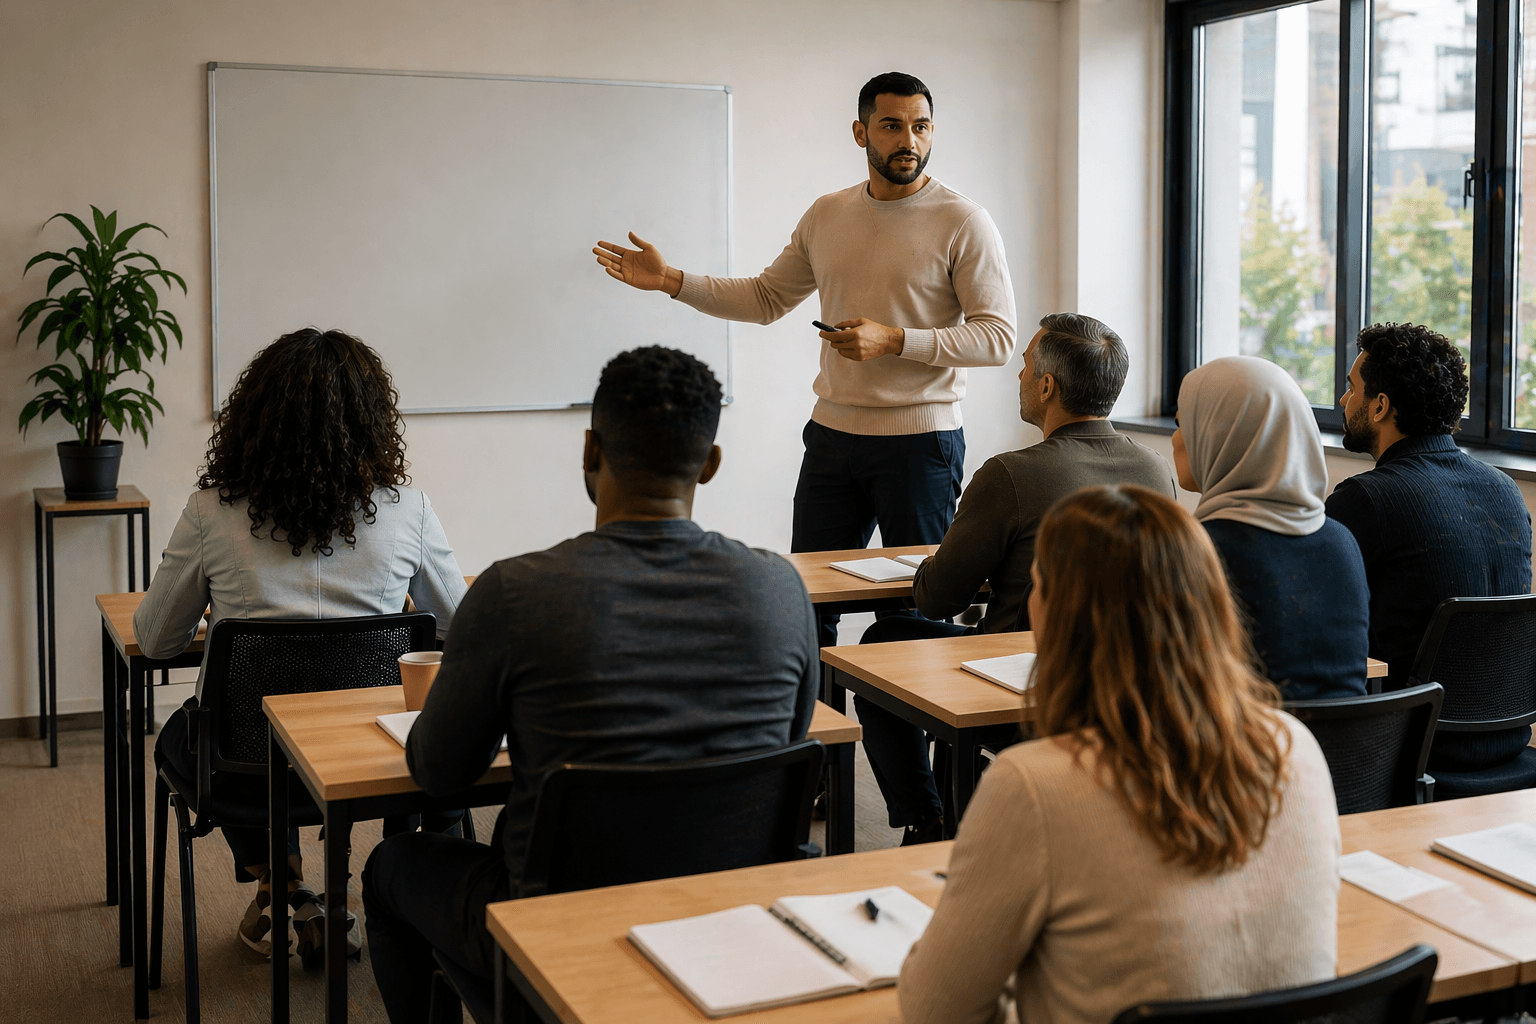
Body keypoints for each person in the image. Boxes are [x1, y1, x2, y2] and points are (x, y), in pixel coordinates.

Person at [361, 346, 820, 1023]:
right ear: (712, 463)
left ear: (589, 450)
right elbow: (787, 743)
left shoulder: (513, 593)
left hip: (553, 932)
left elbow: (439, 774)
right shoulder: (781, 590)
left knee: (392, 866)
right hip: (727, 920)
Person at [594, 71, 1017, 648]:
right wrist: (671, 280)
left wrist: (894, 340)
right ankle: (821, 739)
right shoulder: (827, 213)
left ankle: (908, 741)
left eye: (920, 127)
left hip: (922, 447)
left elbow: (997, 338)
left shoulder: (963, 220)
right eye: (891, 126)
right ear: (860, 132)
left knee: (916, 620)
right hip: (832, 438)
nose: (908, 141)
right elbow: (767, 298)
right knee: (806, 609)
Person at [897, 485, 1340, 1024]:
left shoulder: (1036, 785)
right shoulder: (1296, 749)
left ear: (1060, 615)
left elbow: (934, 1011)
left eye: (1036, 585)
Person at [134, 328, 467, 959]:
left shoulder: (212, 512)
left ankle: (284, 888)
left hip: (241, 771)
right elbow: (459, 629)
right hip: (368, 757)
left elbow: (154, 641)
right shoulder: (408, 512)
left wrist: (225, 627)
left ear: (253, 417)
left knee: (193, 734)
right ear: (373, 421)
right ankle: (376, 883)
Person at [856, 313, 1176, 844]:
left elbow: (938, 599)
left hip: (1017, 683)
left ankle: (927, 816)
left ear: (1047, 386)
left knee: (879, 644)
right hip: (1125, 684)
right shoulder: (1155, 469)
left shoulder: (1012, 473)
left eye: (1024, 366)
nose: (1019, 377)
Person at [1326, 323, 1532, 769]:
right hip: (1510, 741)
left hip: (1406, 747)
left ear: (1380, 406)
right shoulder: (1505, 490)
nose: (1343, 401)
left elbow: (1323, 627)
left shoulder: (1365, 499)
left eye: (1351, 388)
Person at [1171, 356, 1369, 700]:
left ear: (1222, 434)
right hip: (1345, 753)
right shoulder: (1342, 541)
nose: (1175, 439)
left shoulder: (1195, 550)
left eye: (1184, 422)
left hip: (1246, 750)